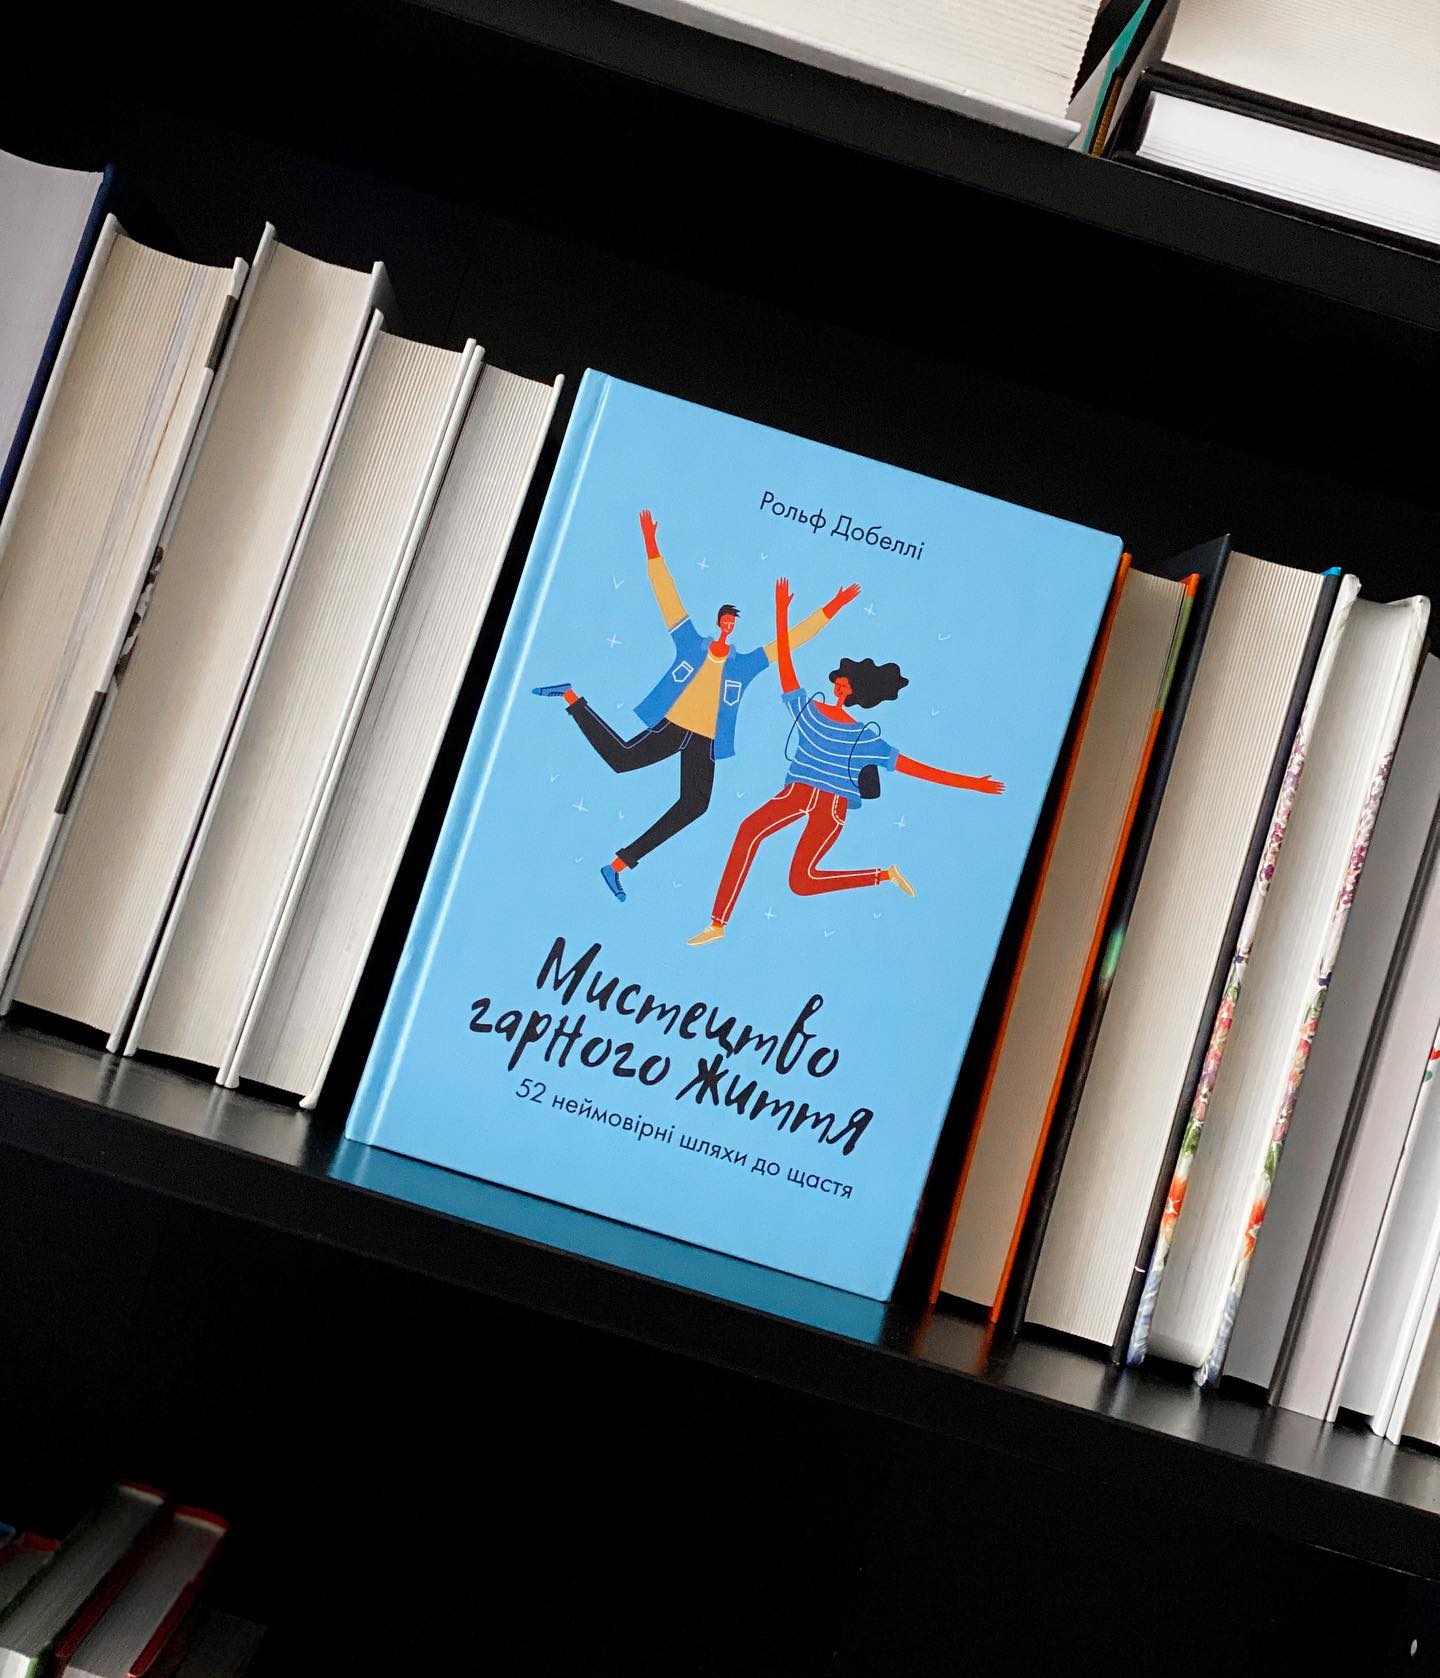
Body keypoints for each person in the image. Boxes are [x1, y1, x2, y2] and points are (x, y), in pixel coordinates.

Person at [533, 509, 859, 901]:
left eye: (733, 624)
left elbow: (790, 642)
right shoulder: (690, 643)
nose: (729, 627)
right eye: (725, 621)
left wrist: (832, 607)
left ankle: (618, 865)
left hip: (705, 741)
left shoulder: (744, 664)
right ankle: (572, 697)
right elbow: (667, 596)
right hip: (674, 727)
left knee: (695, 805)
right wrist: (651, 545)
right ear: (718, 622)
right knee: (621, 761)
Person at [688, 577, 1004, 946]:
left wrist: (972, 783)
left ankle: (884, 875)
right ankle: (718, 923)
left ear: (858, 692)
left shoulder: (865, 737)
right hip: (798, 791)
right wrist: (781, 613)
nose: (841, 684)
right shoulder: (809, 711)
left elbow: (915, 768)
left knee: (800, 882)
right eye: (840, 678)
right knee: (747, 831)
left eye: (848, 683)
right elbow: (786, 669)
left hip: (832, 805)